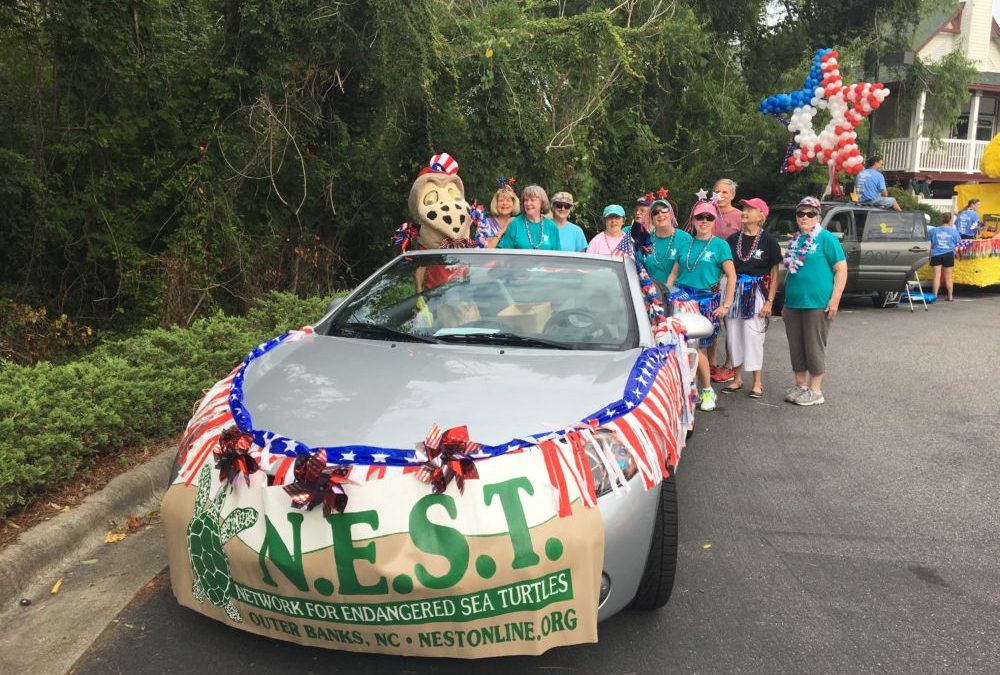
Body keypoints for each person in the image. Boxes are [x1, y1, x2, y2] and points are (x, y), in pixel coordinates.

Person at [666, 200, 736, 412]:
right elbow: (675, 273)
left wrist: (726, 304)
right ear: (693, 219)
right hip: (681, 298)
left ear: (714, 220)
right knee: (680, 347)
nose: (704, 221)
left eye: (709, 218)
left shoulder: (720, 245)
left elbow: (731, 275)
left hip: (706, 301)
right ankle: (690, 390)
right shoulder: (685, 243)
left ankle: (707, 390)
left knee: (699, 348)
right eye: (700, 217)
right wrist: (665, 296)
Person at [782, 196, 848, 407]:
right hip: (794, 302)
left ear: (818, 216)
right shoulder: (795, 239)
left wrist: (835, 299)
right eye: (801, 213)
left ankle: (815, 390)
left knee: (814, 346)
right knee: (796, 346)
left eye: (810, 214)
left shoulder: (826, 238)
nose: (805, 217)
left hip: (816, 302)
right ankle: (801, 385)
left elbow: (841, 270)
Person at [722, 198, 782, 399]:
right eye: (743, 209)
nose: (744, 212)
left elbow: (775, 273)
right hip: (734, 291)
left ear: (761, 215)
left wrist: (770, 301)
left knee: (754, 336)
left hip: (756, 292)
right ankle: (737, 379)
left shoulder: (769, 241)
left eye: (749, 209)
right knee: (733, 334)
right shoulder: (732, 240)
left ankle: (757, 382)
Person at [642, 199, 692, 284]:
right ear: (651, 219)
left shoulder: (685, 239)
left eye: (664, 210)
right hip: (651, 292)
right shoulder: (644, 240)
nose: (660, 214)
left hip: (678, 293)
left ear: (671, 214)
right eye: (655, 212)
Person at [497, 185, 561, 250]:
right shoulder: (515, 224)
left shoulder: (551, 226)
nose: (528, 203)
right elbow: (505, 254)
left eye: (532, 200)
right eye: (526, 200)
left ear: (542, 203)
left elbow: (558, 256)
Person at [928, 212, 961, 301]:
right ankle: (950, 297)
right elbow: (958, 245)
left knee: (936, 276)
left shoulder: (933, 230)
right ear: (950, 220)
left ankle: (934, 296)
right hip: (948, 254)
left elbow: (929, 244)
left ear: (941, 220)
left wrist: (929, 255)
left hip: (936, 254)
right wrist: (958, 256)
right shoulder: (954, 232)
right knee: (948, 277)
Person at [483, 179, 520, 248]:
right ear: (496, 204)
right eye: (501, 200)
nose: (504, 203)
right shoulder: (485, 223)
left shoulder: (518, 223)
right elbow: (486, 250)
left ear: (514, 204)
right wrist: (503, 230)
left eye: (508, 200)